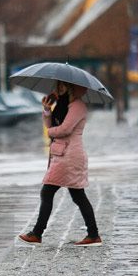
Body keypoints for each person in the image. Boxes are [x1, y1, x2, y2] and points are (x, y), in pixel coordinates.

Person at [18, 80, 102, 247]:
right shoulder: (63, 104)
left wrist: (50, 132)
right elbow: (53, 126)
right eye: (58, 86)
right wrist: (47, 110)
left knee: (48, 191)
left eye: (63, 86)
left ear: (72, 87)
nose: (59, 89)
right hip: (62, 153)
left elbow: (64, 130)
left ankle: (37, 233)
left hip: (70, 155)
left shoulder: (77, 106)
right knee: (77, 196)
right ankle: (93, 235)